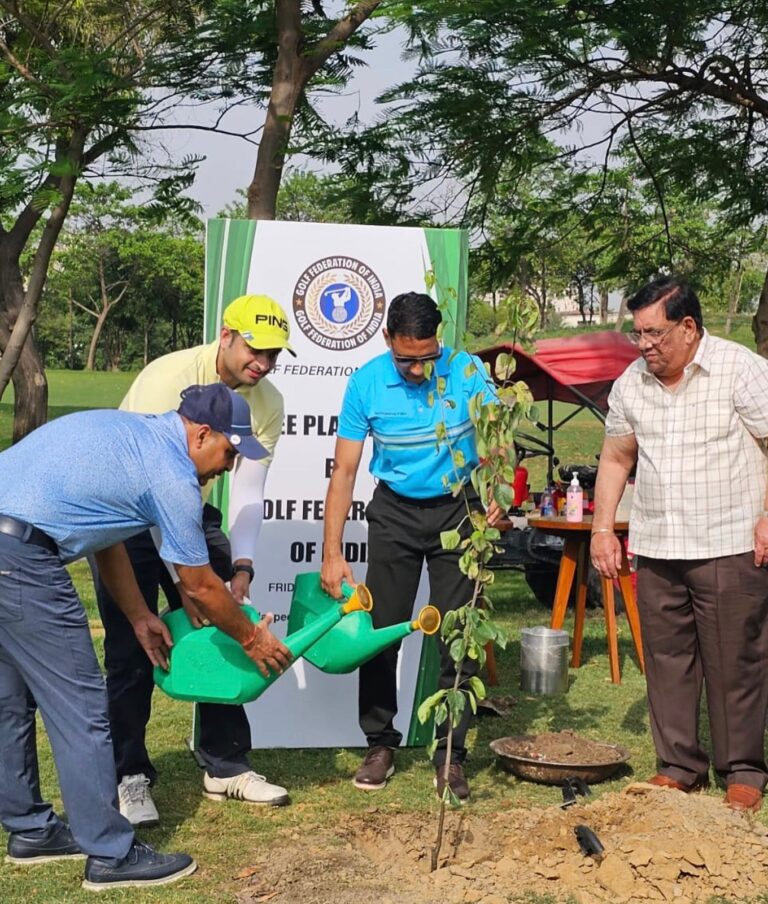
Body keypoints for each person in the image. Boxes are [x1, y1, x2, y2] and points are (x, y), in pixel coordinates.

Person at [0, 383, 291, 889]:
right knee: (83, 705)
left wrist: (138, 615)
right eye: (229, 452)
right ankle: (110, 854)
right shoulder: (172, 474)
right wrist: (253, 639)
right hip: (22, 559)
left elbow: (104, 535)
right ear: (202, 434)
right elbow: (199, 584)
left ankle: (30, 829)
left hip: (10, 542)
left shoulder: (134, 438)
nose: (229, 466)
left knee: (8, 697)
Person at [93, 294, 295, 826]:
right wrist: (187, 579)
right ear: (226, 334)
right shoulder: (168, 377)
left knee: (228, 622)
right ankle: (129, 776)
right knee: (132, 641)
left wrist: (242, 569)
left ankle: (225, 764)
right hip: (130, 515)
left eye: (275, 354)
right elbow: (144, 477)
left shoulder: (267, 403)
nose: (265, 364)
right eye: (257, 349)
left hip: (193, 511)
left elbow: (249, 490)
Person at [590, 275, 768, 813]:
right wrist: (602, 528)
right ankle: (678, 766)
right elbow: (616, 457)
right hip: (659, 544)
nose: (644, 344)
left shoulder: (741, 369)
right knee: (666, 660)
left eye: (654, 333)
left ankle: (742, 769)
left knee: (735, 660)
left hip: (729, 540)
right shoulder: (630, 383)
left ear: (688, 327)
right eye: (637, 334)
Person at [320, 291, 497, 803]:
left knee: (455, 633)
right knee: (383, 631)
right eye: (406, 360)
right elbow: (346, 472)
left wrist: (496, 491)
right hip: (394, 512)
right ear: (386, 342)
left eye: (427, 358)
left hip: (458, 511)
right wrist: (332, 552)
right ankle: (380, 743)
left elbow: (498, 441)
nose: (418, 370)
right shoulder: (367, 383)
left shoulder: (466, 373)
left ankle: (451, 755)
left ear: (440, 342)